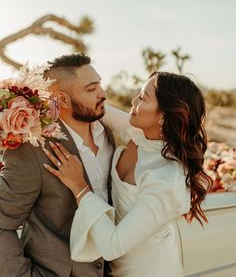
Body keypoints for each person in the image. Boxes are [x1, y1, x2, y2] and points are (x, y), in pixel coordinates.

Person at [44, 71, 212, 277]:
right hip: (114, 269)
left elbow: (112, 245)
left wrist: (79, 186)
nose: (134, 100)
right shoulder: (140, 133)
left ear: (162, 116)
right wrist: (44, 97)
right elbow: (95, 108)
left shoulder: (167, 178)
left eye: (143, 98)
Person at [0, 53, 116, 277]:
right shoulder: (32, 151)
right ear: (61, 100)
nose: (102, 93)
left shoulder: (111, 134)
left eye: (100, 83)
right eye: (91, 89)